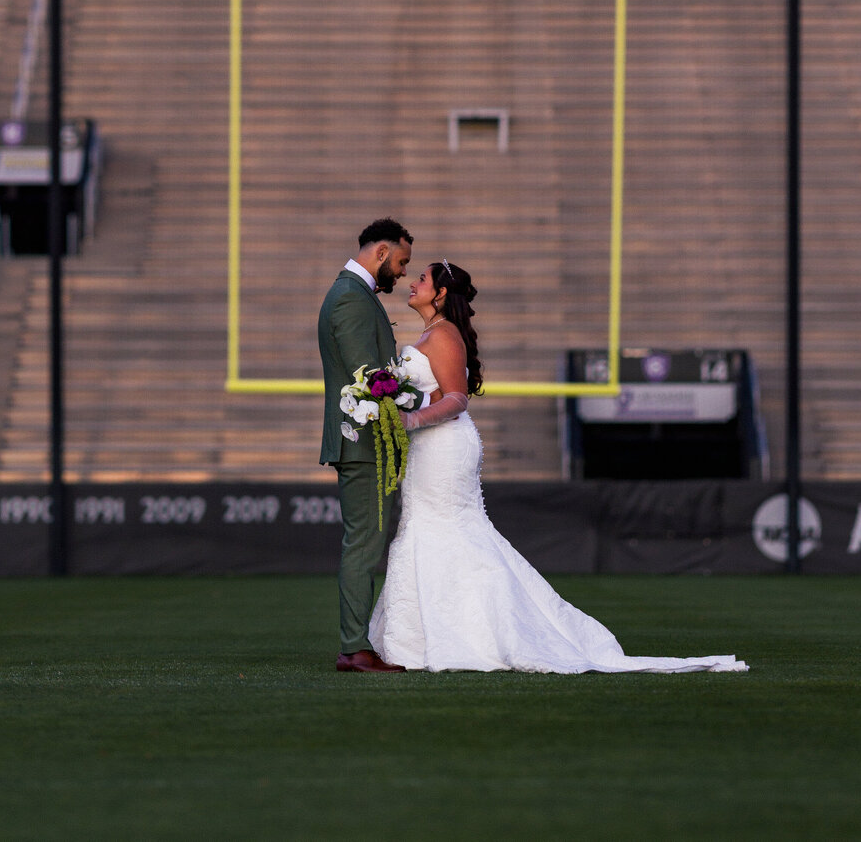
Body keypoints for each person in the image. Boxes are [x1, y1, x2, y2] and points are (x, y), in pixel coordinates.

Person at [368, 260, 748, 675]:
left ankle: (470, 633)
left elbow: (457, 399)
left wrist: (410, 419)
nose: (412, 282)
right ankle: (426, 634)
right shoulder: (431, 334)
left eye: (421, 279)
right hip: (429, 446)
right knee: (432, 528)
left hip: (442, 445)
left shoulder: (443, 334)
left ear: (440, 293)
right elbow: (436, 392)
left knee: (445, 529)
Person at [318, 218, 413, 674]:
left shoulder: (352, 296)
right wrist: (412, 395)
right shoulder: (351, 300)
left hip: (365, 442)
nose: (401, 272)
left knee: (366, 542)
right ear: (380, 252)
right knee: (363, 545)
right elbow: (367, 379)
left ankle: (360, 644)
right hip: (362, 444)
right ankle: (355, 647)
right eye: (400, 261)